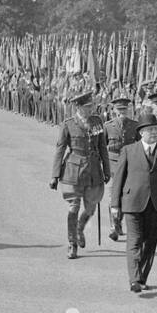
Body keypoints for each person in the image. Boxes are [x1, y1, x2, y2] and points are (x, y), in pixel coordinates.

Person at [110, 111, 157, 293]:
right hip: (132, 202)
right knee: (134, 240)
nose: (154, 132)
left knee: (150, 243)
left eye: (156, 129)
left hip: (156, 203)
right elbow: (118, 179)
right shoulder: (128, 150)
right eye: (149, 130)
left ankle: (141, 277)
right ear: (141, 132)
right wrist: (114, 205)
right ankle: (134, 279)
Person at [50, 91, 110, 259]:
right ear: (78, 107)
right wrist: (55, 175)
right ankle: (72, 244)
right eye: (87, 107)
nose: (90, 109)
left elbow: (102, 147)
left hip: (93, 170)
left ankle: (80, 228)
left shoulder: (97, 122)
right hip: (73, 170)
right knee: (74, 207)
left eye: (91, 106)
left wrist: (106, 169)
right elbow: (60, 149)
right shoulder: (68, 124)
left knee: (91, 207)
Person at [103, 96, 140, 241]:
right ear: (114, 111)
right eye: (119, 110)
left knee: (125, 195)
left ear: (128, 110)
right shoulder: (108, 126)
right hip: (113, 165)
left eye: (124, 109)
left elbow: (139, 145)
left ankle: (119, 222)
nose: (122, 112)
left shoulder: (135, 125)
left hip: (129, 165)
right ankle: (113, 226)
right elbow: (102, 148)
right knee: (113, 194)